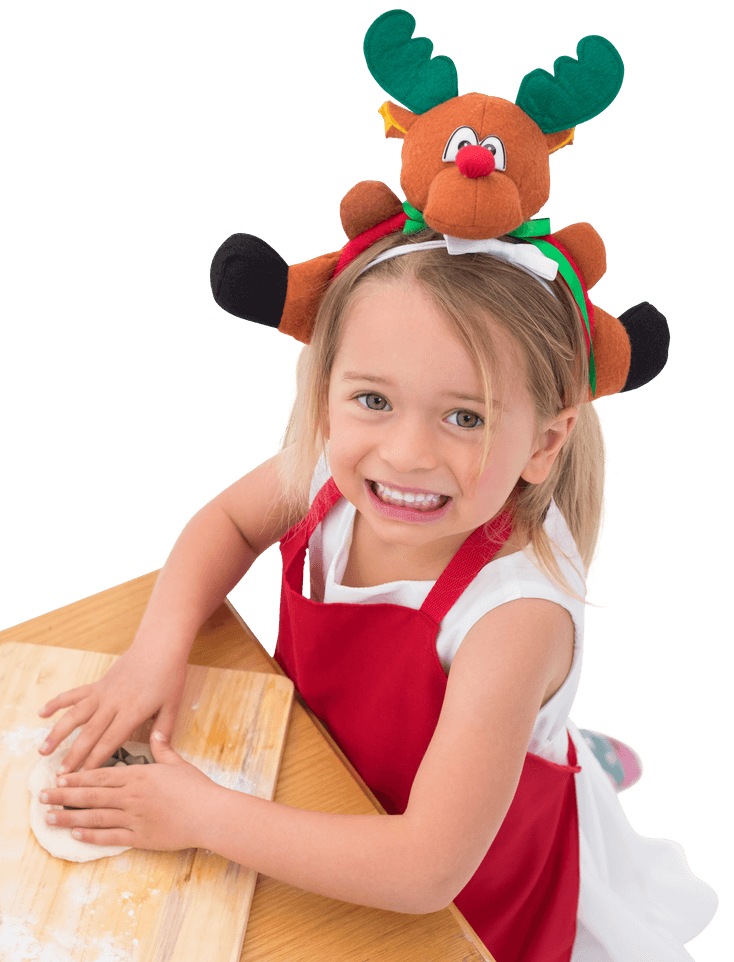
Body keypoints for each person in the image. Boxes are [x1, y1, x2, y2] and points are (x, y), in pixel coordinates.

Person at [35, 229, 718, 960]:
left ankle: (541, 750)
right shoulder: (333, 471)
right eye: (373, 399)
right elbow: (229, 523)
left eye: (466, 417)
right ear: (327, 389)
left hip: (457, 881)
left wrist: (203, 815)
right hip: (330, 773)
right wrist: (156, 651)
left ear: (545, 443)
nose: (406, 454)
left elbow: (425, 871)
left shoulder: (515, 617)